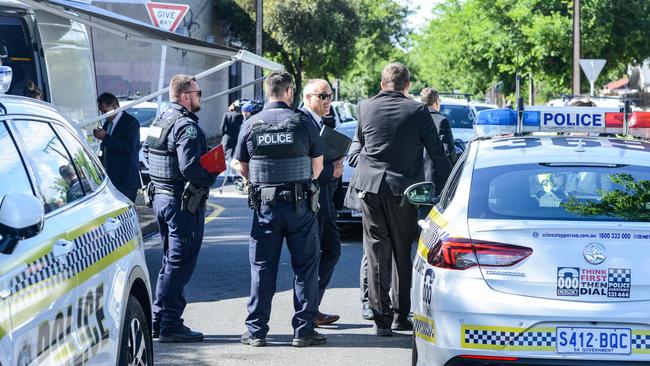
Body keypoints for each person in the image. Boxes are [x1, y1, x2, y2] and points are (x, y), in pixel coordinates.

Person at [349, 62, 452, 336]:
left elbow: (360, 143)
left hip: (370, 189)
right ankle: (399, 315)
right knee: (401, 252)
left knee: (375, 252)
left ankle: (379, 319)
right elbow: (437, 152)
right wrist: (449, 185)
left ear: (382, 84)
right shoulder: (417, 110)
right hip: (404, 192)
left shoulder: (365, 107)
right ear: (407, 86)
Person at [235, 71, 326, 347]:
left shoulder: (251, 123)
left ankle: (256, 331)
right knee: (306, 268)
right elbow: (318, 166)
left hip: (265, 208)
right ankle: (303, 330)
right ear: (289, 92)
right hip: (299, 205)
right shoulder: (302, 122)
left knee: (262, 268)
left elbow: (242, 166)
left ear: (267, 92)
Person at [143, 74, 216, 343]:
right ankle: (170, 323)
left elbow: (147, 154)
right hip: (181, 204)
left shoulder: (160, 120)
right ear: (185, 96)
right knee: (179, 264)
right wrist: (210, 175)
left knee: (169, 262)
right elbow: (189, 167)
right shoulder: (187, 127)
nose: (200, 97)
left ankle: (158, 320)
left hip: (162, 199)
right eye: (197, 92)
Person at [299, 79, 343, 326]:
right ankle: (308, 311)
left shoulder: (322, 122)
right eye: (322, 96)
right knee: (312, 257)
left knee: (332, 251)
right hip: (311, 203)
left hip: (326, 202)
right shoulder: (302, 122)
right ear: (308, 98)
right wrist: (332, 171)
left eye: (330, 95)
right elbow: (305, 166)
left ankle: (312, 307)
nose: (328, 100)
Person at [93, 92, 141, 202]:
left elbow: (129, 148)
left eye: (105, 111)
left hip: (125, 179)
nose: (103, 114)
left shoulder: (130, 123)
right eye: (101, 111)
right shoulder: (107, 124)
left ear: (115, 107)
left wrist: (105, 138)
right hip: (110, 177)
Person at [420, 87, 457, 172]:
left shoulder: (415, 118)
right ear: (436, 101)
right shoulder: (441, 121)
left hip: (416, 176)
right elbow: (448, 151)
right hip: (436, 175)